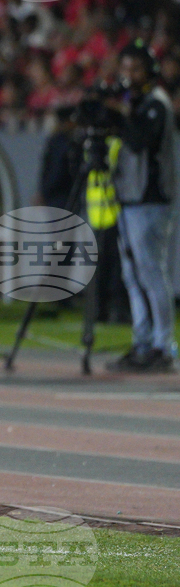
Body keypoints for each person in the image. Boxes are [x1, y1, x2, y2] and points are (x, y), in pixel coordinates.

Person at [106, 40, 177, 373]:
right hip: (130, 198)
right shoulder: (135, 102)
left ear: (149, 71)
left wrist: (121, 115)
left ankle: (164, 346)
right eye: (126, 68)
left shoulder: (156, 103)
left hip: (151, 200)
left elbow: (139, 140)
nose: (129, 75)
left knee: (151, 273)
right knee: (133, 276)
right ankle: (143, 343)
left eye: (135, 68)